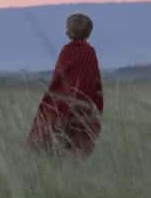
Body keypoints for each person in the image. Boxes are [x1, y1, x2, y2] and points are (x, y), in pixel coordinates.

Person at [27, 13, 104, 157]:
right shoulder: (90, 52)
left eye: (67, 28)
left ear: (71, 32)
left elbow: (58, 78)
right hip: (84, 104)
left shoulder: (67, 51)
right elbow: (95, 80)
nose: (65, 31)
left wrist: (51, 96)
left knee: (58, 138)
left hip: (62, 104)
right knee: (76, 144)